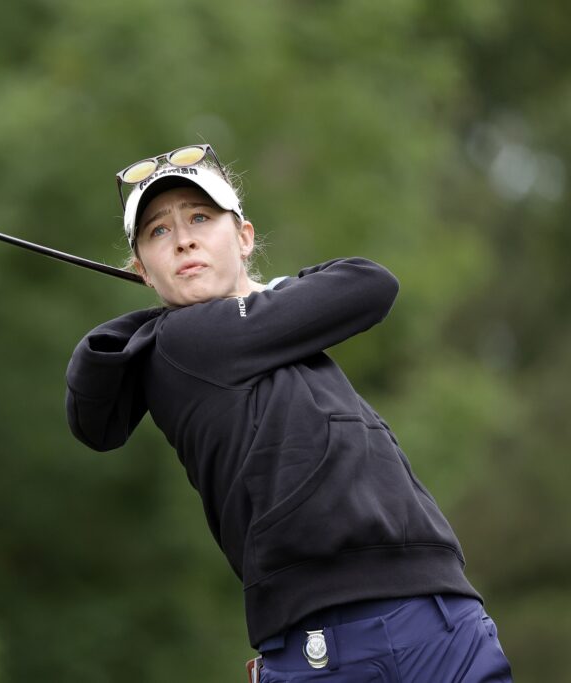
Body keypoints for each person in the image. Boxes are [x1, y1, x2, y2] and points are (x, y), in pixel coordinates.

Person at [64, 144, 513, 681]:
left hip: (440, 615)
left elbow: (368, 284)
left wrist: (256, 293)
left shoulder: (273, 335)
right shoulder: (188, 340)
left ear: (245, 237)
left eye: (201, 218)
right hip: (328, 646)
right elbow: (368, 284)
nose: (183, 238)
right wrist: (256, 289)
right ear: (144, 271)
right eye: (159, 231)